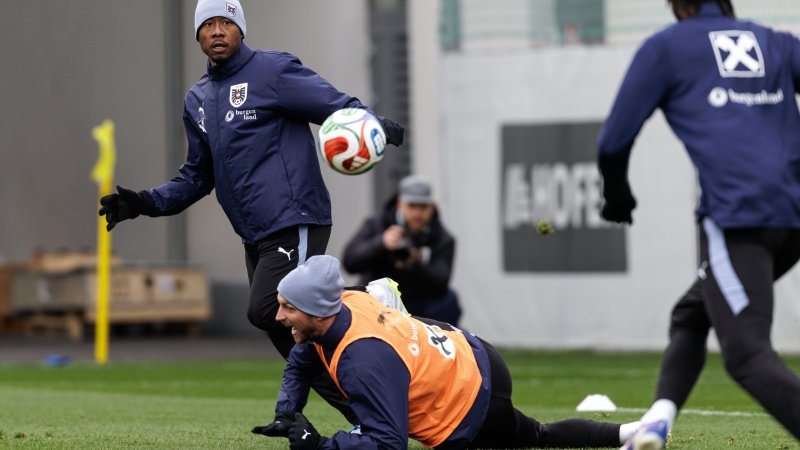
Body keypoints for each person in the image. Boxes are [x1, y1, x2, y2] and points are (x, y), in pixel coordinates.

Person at [97, 0, 403, 424]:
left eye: (226, 22)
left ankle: (366, 305)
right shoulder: (198, 100)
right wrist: (145, 203)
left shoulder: (272, 72)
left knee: (267, 309)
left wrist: (375, 122)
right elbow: (196, 176)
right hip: (255, 232)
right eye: (208, 24)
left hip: (295, 216)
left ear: (240, 29)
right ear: (198, 35)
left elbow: (334, 104)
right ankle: (359, 411)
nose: (217, 31)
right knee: (293, 325)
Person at [597, 0, 800, 447]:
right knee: (692, 312)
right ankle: (657, 421)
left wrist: (617, 197)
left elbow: (613, 142)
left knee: (746, 353)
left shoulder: (667, 48)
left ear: (678, 6)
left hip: (737, 218)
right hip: (791, 219)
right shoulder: (776, 41)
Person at [254, 255, 641, 449]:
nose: (277, 315)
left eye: (288, 307)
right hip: (473, 352)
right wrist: (287, 412)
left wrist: (322, 445)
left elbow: (389, 442)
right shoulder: (348, 301)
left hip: (471, 401)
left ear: (319, 311)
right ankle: (631, 432)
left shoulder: (362, 361)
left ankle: (631, 432)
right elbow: (302, 358)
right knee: (535, 432)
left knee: (534, 436)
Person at [342, 175, 462, 325]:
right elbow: (349, 262)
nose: (417, 213)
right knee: (352, 298)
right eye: (412, 206)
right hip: (379, 299)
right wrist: (381, 243)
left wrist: (415, 263)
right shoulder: (377, 224)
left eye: (423, 207)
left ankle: (437, 345)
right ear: (400, 203)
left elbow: (441, 284)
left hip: (418, 303)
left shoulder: (442, 237)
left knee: (450, 301)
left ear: (431, 207)